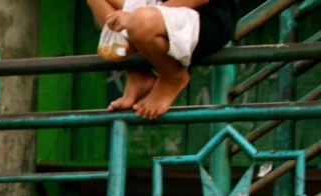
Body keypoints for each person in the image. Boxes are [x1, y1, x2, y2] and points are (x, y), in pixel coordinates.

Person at [88, 0, 238, 120]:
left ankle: (172, 76)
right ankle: (138, 75)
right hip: (159, 13)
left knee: (139, 21)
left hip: (205, 18)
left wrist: (139, 16)